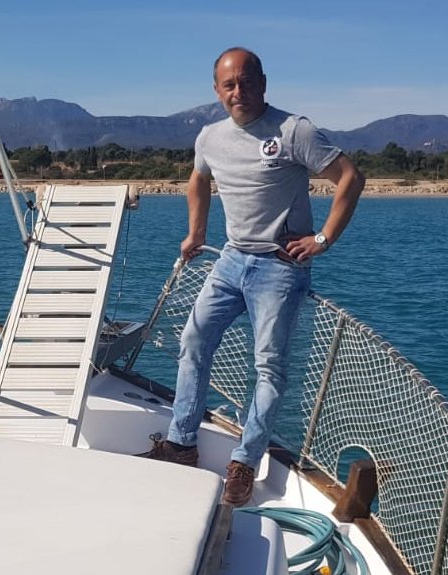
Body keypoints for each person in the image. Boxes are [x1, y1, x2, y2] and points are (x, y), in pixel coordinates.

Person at [141, 47, 365, 506]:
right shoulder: (209, 137)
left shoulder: (293, 131)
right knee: (193, 342)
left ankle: (244, 462)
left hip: (280, 268)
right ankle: (182, 443)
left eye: (246, 82)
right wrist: (196, 231)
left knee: (268, 367)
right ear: (216, 89)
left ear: (263, 83)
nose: (237, 91)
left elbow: (350, 178)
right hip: (230, 260)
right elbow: (198, 178)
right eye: (229, 84)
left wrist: (323, 239)